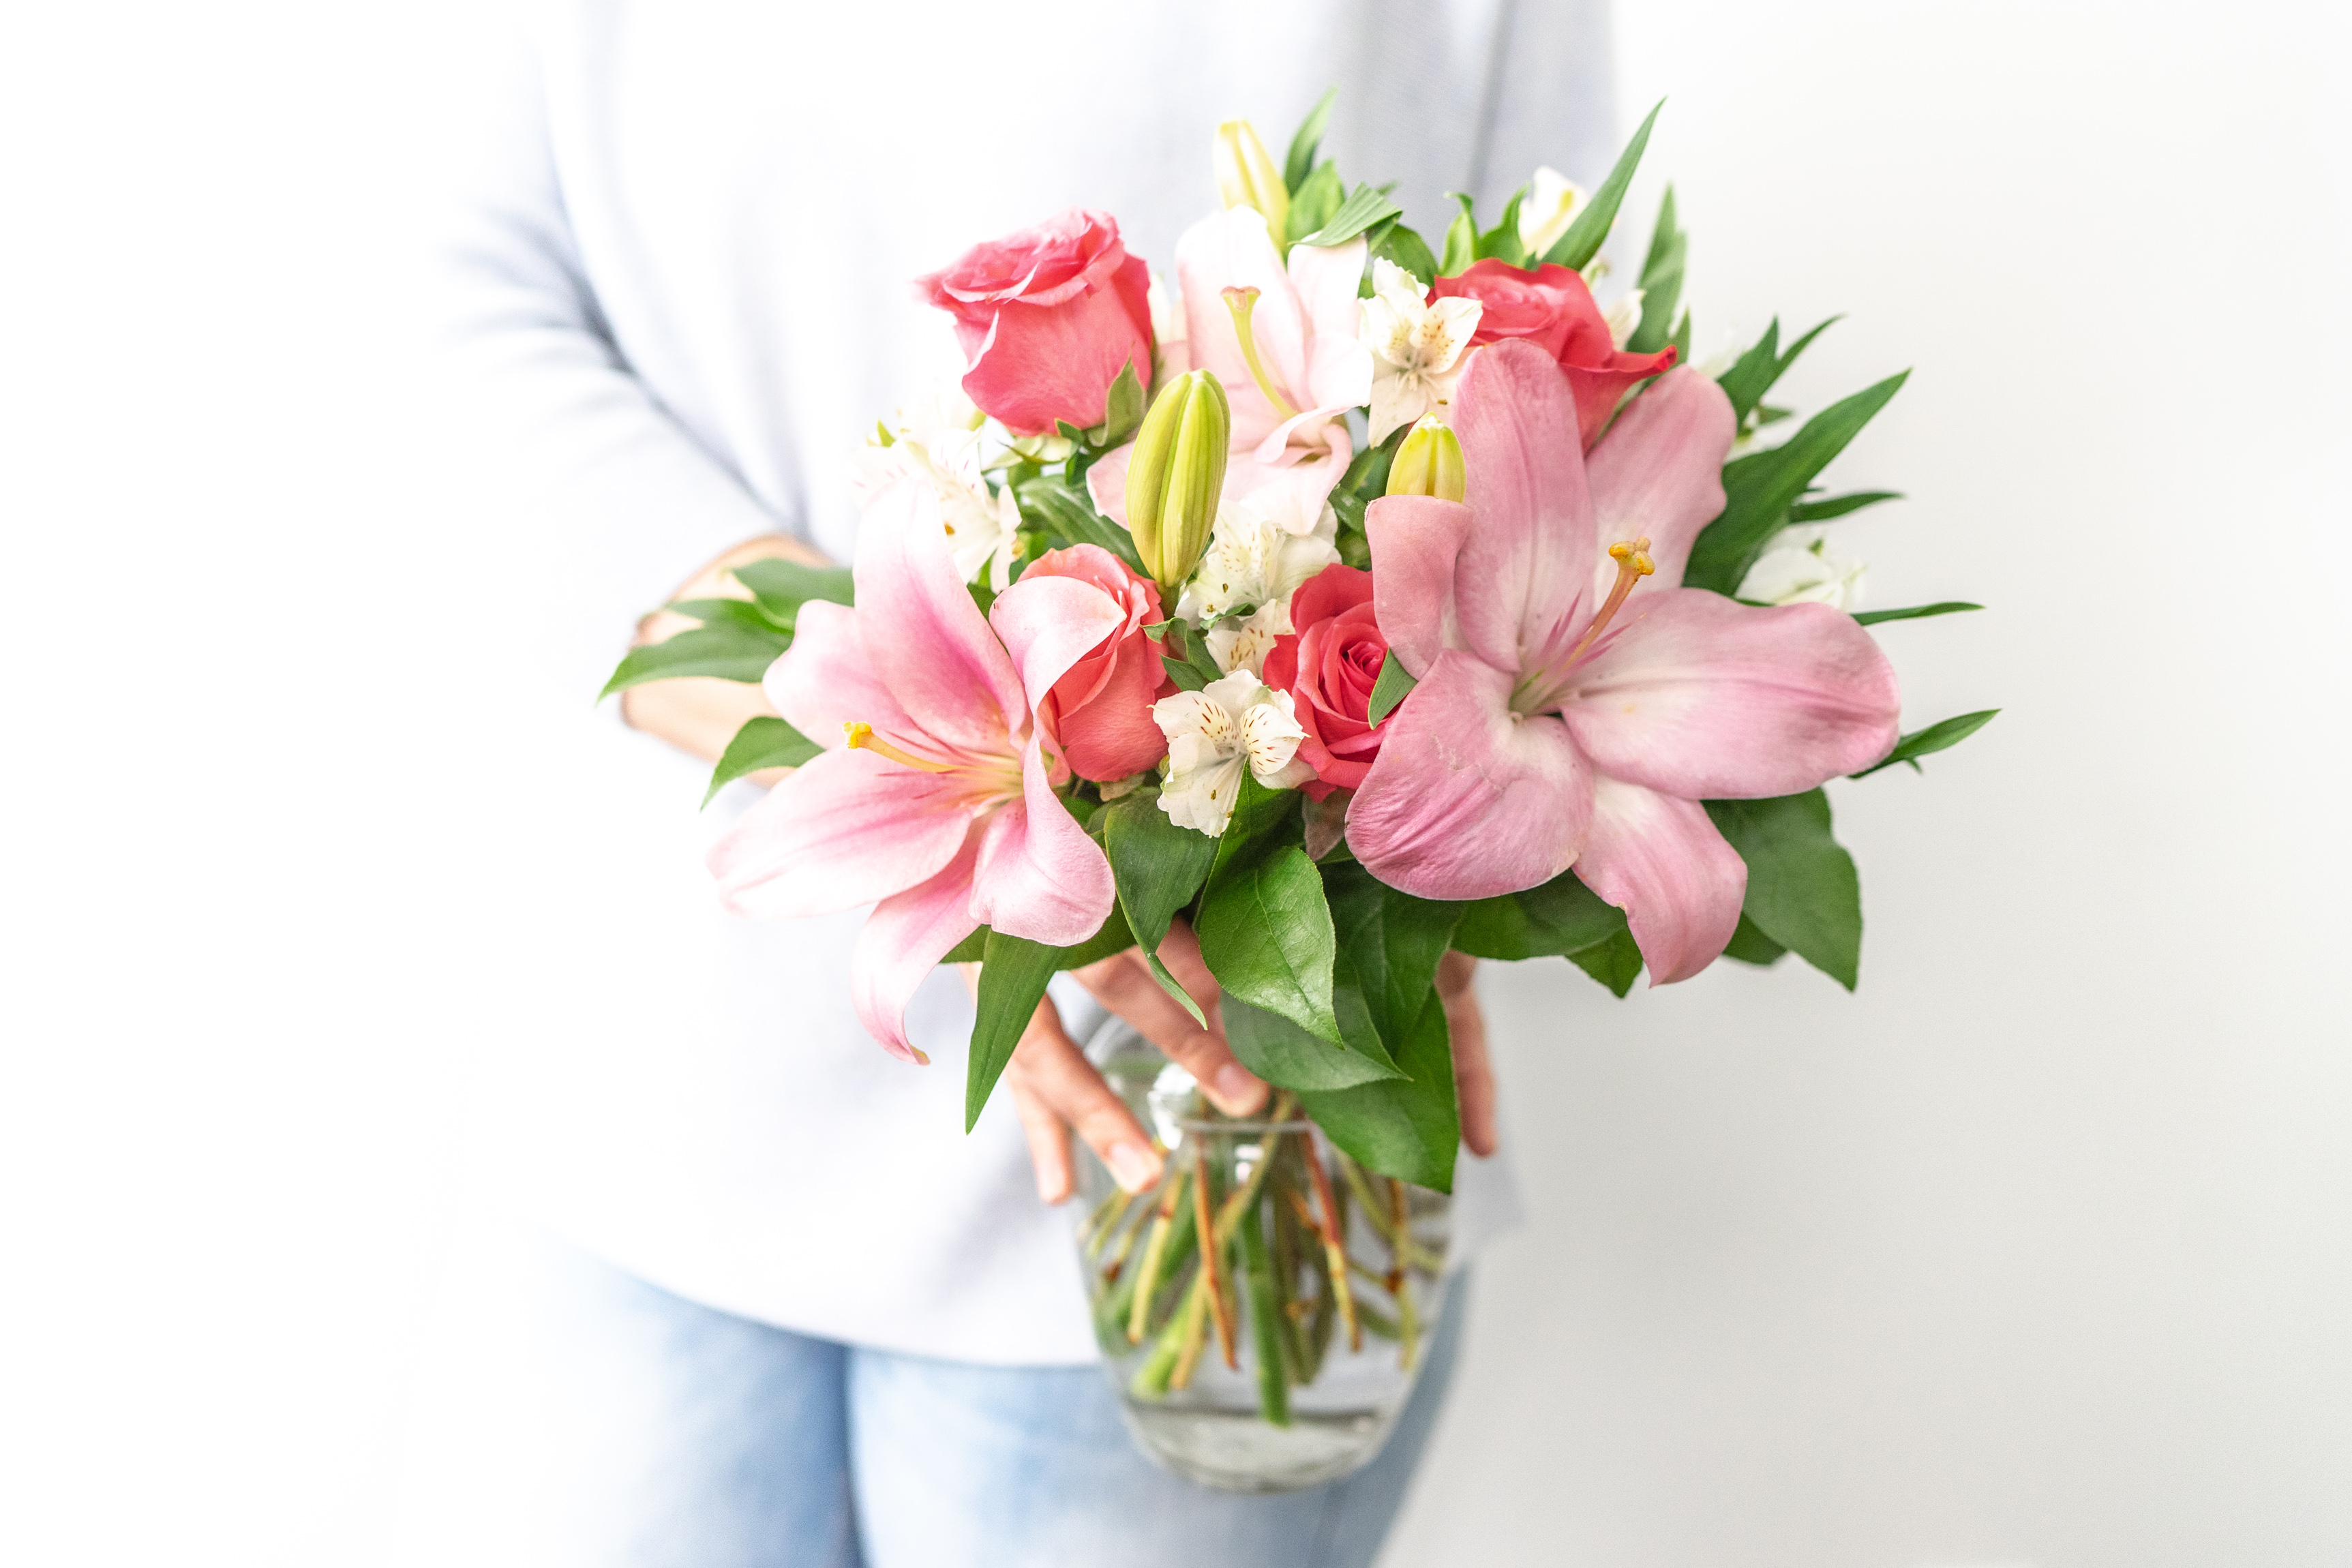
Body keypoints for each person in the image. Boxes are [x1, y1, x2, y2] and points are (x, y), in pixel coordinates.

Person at [397, 3, 1616, 1563]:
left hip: (1201, 1142)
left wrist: (1437, 834)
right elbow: (452, 313)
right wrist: (969, 796)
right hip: (655, 1094)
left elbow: (1537, 348)